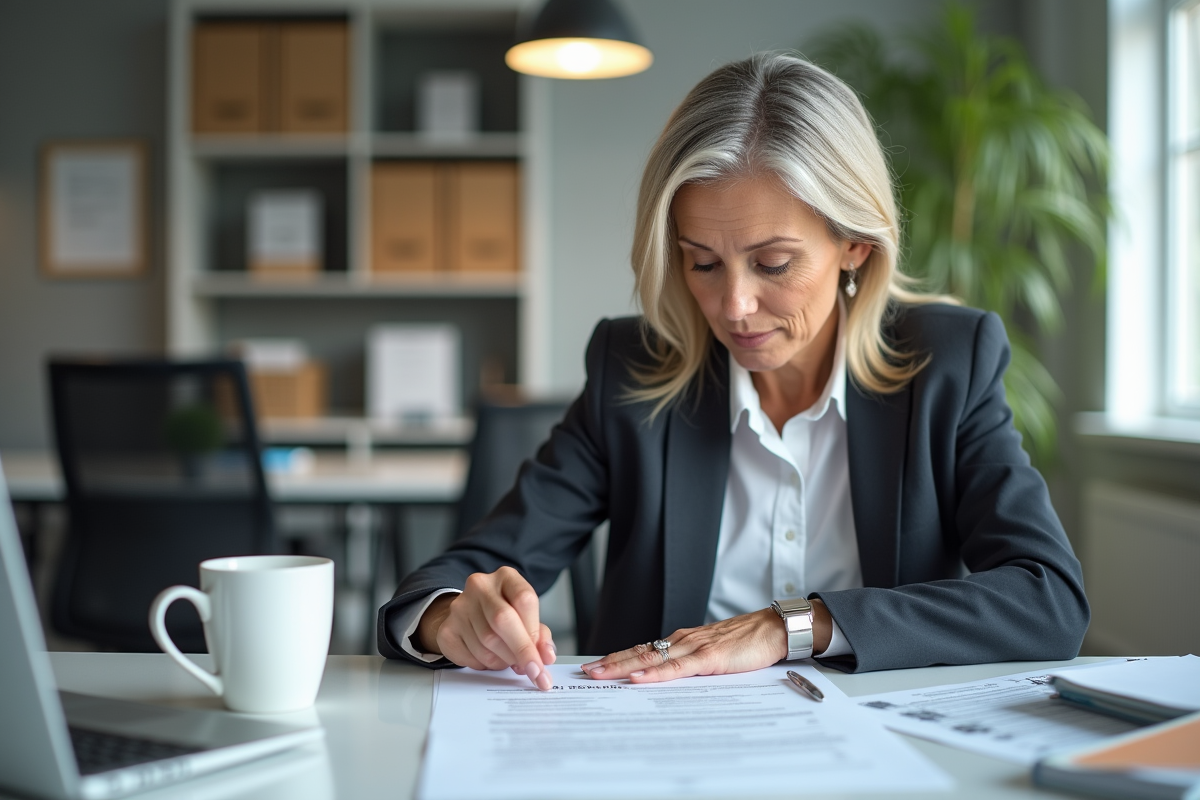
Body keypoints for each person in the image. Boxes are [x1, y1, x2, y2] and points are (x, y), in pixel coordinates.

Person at [376, 52, 1089, 691]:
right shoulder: (632, 373)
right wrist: (452, 618)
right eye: (703, 263)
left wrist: (790, 626)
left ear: (856, 246)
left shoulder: (948, 365)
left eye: (773, 264)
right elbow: (460, 575)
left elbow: (1047, 599)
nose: (734, 306)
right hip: (667, 750)